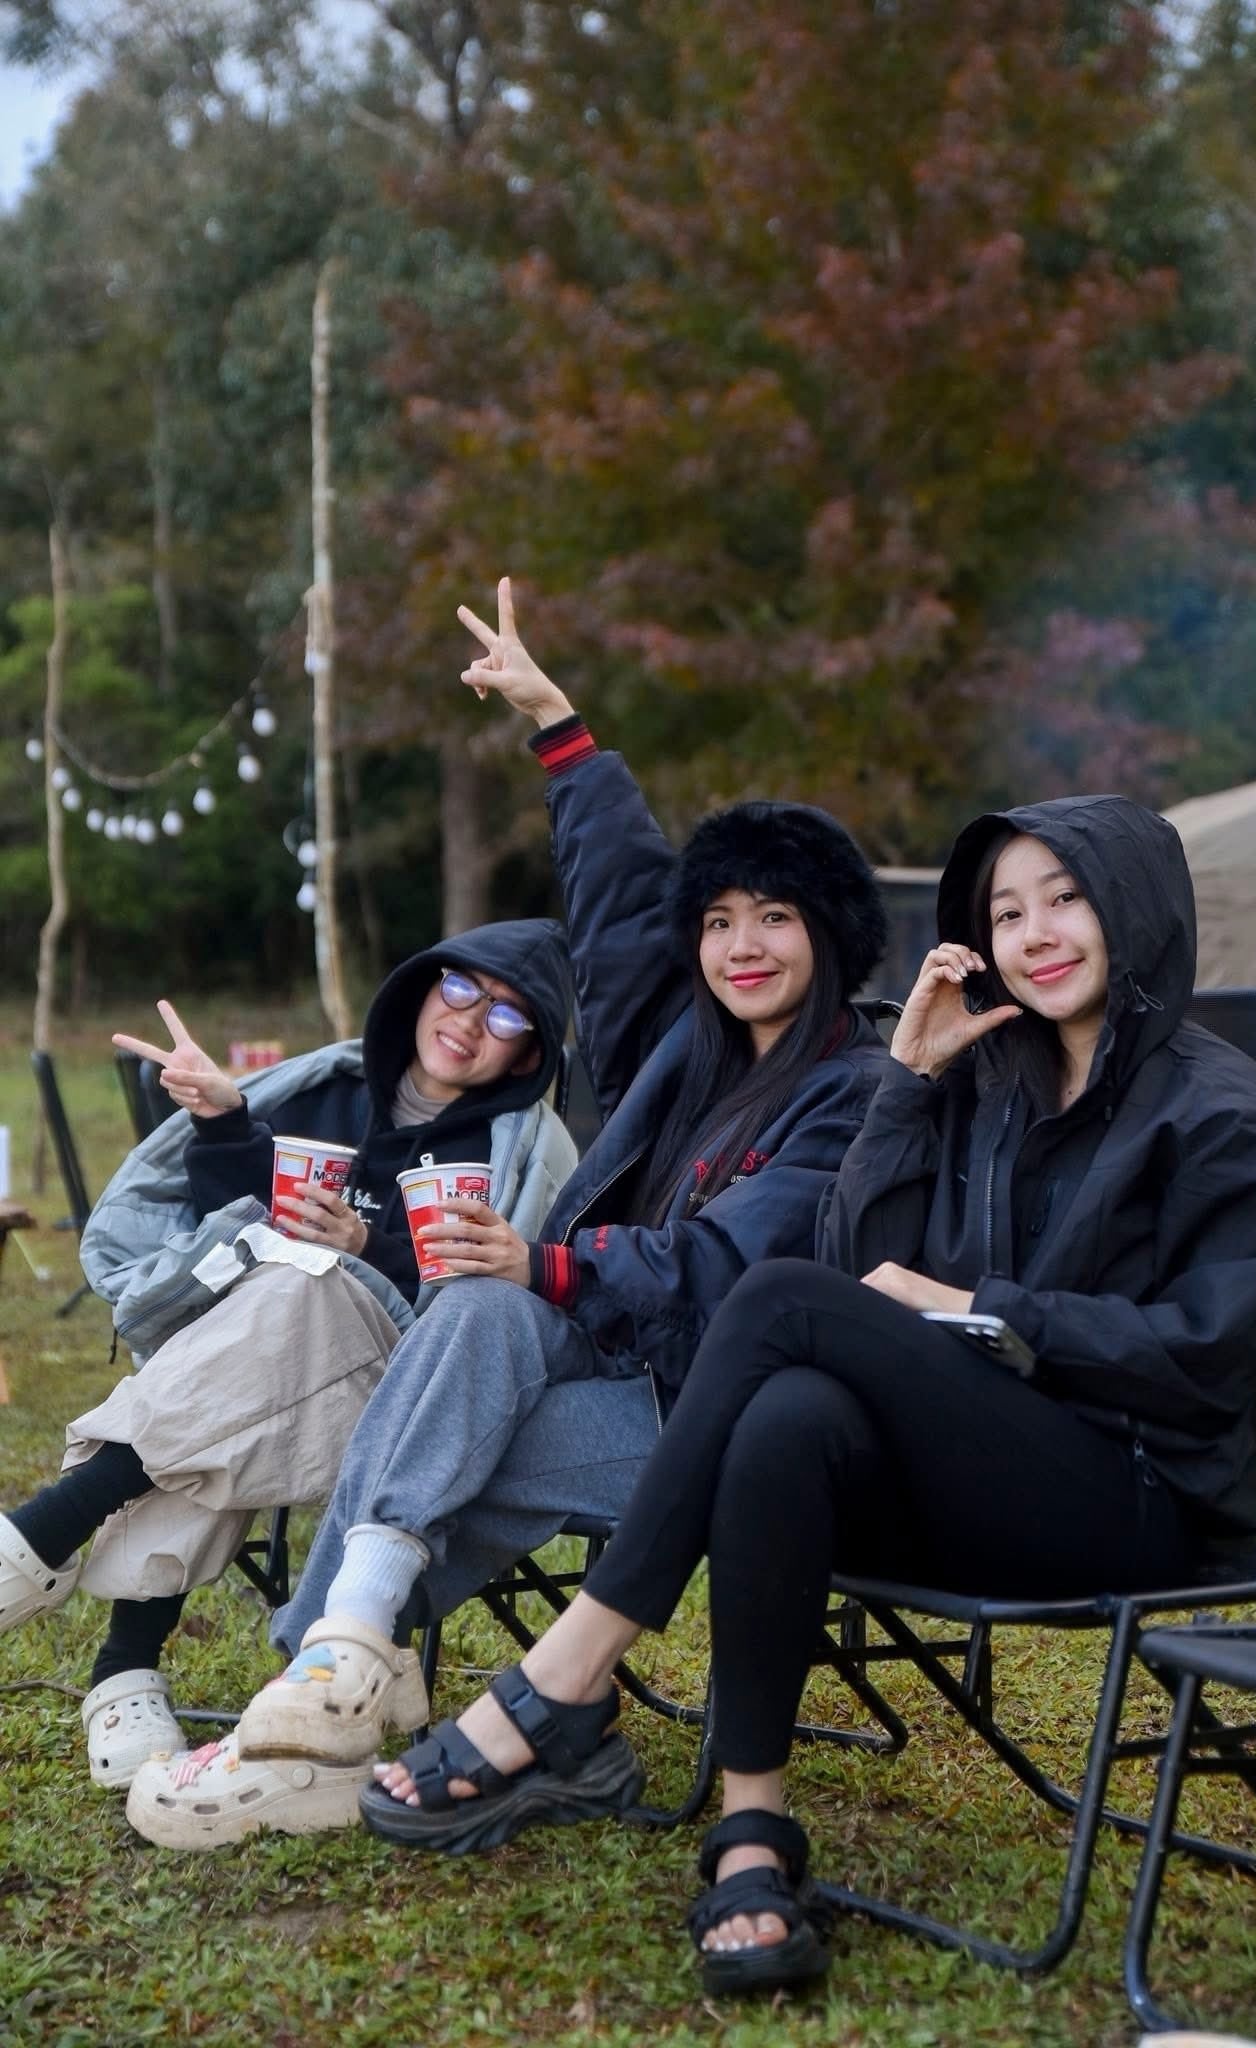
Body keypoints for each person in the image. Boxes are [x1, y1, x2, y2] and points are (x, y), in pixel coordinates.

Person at [350, 793, 1256, 1998]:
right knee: (788, 1413)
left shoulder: (1229, 1118)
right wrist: (912, 1082)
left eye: (1065, 899)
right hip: (977, 1469)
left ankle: (567, 1676)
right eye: (1008, 910)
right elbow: (858, 1251)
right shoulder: (990, 1080)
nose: (1036, 933)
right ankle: (754, 1833)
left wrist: (978, 1309)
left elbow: (1204, 1356)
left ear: (1132, 908)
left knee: (775, 1300)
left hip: (1138, 1496)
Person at [124, 576, 891, 1848]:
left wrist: (552, 1261)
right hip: (604, 1352)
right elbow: (617, 894)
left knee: (439, 1446)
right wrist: (562, 733)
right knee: (473, 1310)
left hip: (708, 1414)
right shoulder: (681, 1044)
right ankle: (337, 1676)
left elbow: (729, 1264)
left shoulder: (850, 1088)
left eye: (775, 917)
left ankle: (315, 1709)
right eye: (719, 919)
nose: (739, 943)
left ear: (828, 933)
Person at [0, 919, 576, 1792]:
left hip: (397, 1394)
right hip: (258, 1375)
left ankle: (61, 1544)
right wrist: (228, 1123)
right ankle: (120, 1671)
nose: (470, 1020)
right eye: (463, 989)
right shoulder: (324, 1092)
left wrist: (369, 1248)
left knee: (305, 1289)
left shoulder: (518, 1153)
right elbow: (210, 1224)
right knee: (272, 1314)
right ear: (425, 987)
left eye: (506, 1017)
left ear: (528, 1053)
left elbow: (491, 1306)